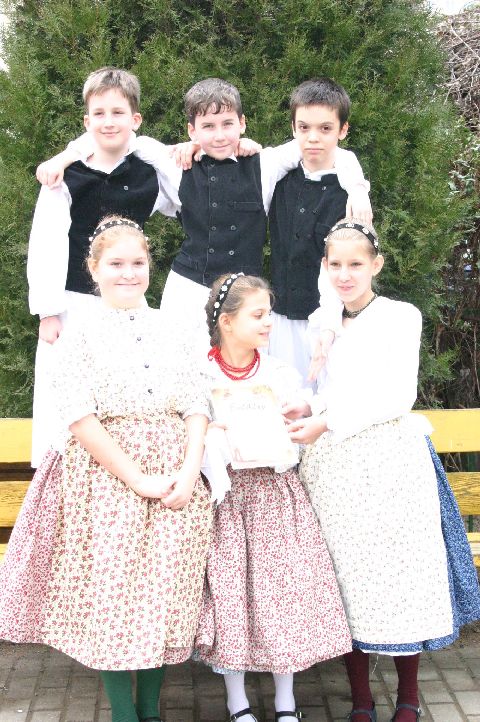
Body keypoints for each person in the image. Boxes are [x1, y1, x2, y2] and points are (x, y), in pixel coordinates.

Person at [0, 217, 213, 722]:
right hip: (107, 482)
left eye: (138, 262)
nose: (128, 273)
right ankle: (123, 714)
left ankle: (150, 710)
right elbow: (80, 417)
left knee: (164, 595)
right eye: (116, 264)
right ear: (94, 269)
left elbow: (196, 402)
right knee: (115, 599)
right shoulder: (78, 335)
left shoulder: (174, 328)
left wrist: (189, 471)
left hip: (175, 477)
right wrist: (137, 479)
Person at [284, 219, 480, 722]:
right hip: (334, 468)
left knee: (398, 576)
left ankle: (409, 696)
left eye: (355, 264)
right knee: (347, 579)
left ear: (376, 265)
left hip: (389, 460)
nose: (345, 275)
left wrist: (326, 421)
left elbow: (397, 395)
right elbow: (330, 390)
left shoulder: (399, 316)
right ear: (324, 266)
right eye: (335, 264)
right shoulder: (322, 320)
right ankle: (361, 699)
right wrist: (308, 407)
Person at [41, 77, 372, 356]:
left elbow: (326, 146)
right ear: (191, 130)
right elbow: (122, 135)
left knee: (244, 378)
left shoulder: (266, 164)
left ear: (242, 124)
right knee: (178, 371)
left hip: (246, 294)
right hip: (187, 291)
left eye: (228, 124)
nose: (219, 135)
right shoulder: (175, 164)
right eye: (208, 127)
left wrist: (357, 189)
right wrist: (64, 158)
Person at [195, 273, 352, 722]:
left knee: (283, 593)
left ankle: (286, 701)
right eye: (258, 315)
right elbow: (189, 434)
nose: (268, 323)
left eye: (268, 313)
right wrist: (211, 435)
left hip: (275, 497)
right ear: (227, 322)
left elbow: (298, 437)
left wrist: (290, 430)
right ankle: (237, 700)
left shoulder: (278, 374)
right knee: (233, 595)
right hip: (226, 500)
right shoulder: (199, 375)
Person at [28, 66, 178, 467]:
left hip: (129, 304)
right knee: (67, 395)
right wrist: (48, 310)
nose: (108, 122)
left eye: (117, 113)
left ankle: (123, 476)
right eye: (99, 113)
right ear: (86, 121)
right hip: (73, 303)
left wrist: (161, 150)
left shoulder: (148, 173)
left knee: (126, 392)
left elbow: (186, 201)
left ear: (135, 119)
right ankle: (59, 480)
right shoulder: (66, 176)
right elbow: (46, 241)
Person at [268, 78, 355, 385]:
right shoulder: (278, 177)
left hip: (327, 320)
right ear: (293, 129)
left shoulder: (349, 195)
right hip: (279, 319)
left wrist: (329, 326)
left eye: (325, 128)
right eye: (304, 127)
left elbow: (342, 267)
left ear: (343, 130)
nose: (313, 138)